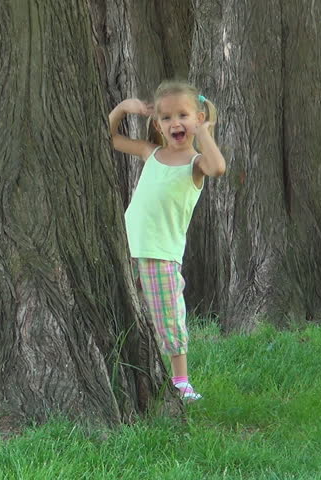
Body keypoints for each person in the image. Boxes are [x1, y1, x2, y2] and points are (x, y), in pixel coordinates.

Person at [108, 80, 226, 401]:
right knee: (116, 308)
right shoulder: (151, 153)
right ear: (157, 126)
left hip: (161, 254)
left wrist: (204, 132)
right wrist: (121, 109)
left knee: (168, 315)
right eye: (166, 118)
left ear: (198, 118)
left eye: (184, 116)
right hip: (125, 248)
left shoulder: (195, 164)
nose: (176, 123)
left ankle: (181, 380)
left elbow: (217, 167)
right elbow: (108, 137)